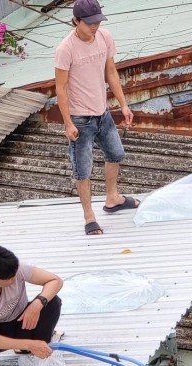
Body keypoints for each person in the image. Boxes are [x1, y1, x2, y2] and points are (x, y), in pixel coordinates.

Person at [54, 0, 139, 236]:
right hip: (80, 119)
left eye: (98, 21)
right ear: (76, 21)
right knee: (83, 169)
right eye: (89, 23)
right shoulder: (65, 49)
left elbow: (111, 71)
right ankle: (89, 217)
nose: (95, 27)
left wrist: (123, 105)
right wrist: (68, 123)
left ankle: (112, 198)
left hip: (103, 113)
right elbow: (60, 88)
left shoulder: (104, 37)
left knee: (116, 154)